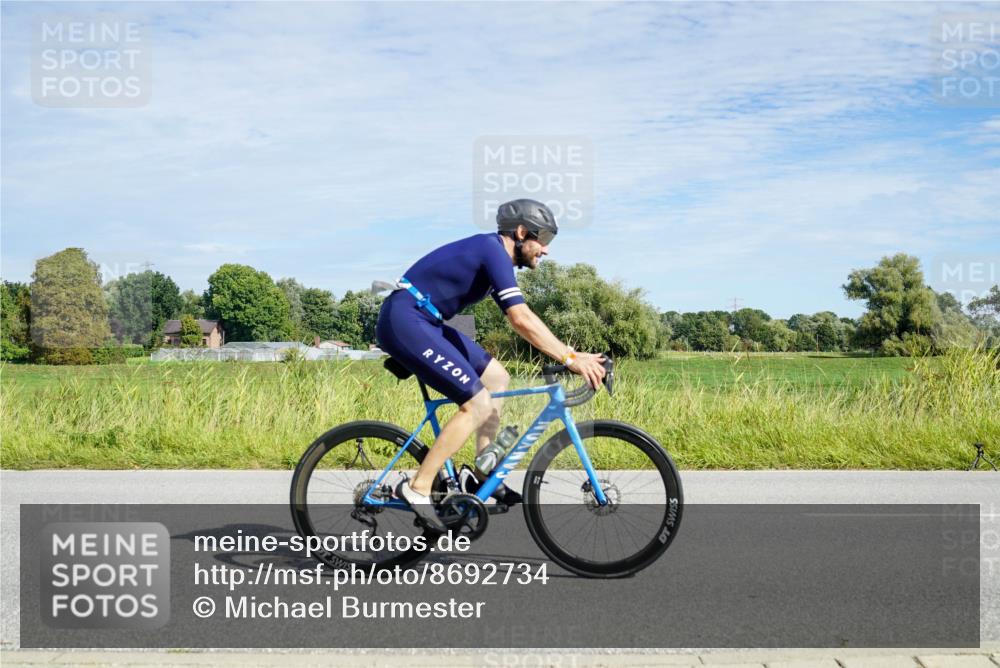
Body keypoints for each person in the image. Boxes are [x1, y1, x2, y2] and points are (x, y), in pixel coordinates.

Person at [375, 199, 606, 530]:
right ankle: (418, 487)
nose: (546, 250)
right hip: (406, 319)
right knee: (477, 404)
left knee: (496, 378)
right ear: (522, 232)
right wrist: (569, 359)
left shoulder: (496, 258)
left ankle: (481, 473)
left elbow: (523, 318)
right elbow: (520, 318)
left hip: (426, 321)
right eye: (543, 240)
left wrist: (572, 353)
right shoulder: (492, 250)